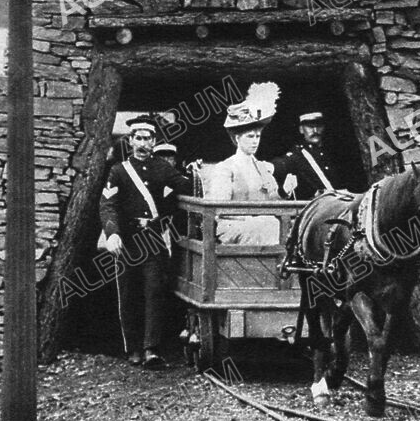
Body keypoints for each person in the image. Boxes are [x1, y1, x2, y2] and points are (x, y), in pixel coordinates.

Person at [100, 115, 193, 368]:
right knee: (128, 294)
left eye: (148, 138)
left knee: (154, 291)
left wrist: (194, 172)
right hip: (127, 239)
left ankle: (152, 348)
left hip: (153, 239)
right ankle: (132, 349)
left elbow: (186, 186)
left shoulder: (162, 168)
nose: (143, 143)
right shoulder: (118, 171)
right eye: (138, 138)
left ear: (154, 141)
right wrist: (113, 233)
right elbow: (108, 205)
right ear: (130, 141)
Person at [206, 84, 283, 246]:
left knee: (282, 228)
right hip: (232, 225)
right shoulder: (226, 168)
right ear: (237, 138)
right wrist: (251, 217)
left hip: (261, 222)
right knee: (265, 227)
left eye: (258, 136)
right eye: (250, 136)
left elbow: (272, 202)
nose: (255, 141)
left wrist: (285, 192)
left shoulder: (262, 167)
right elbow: (218, 209)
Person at [273, 112, 341, 200]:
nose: (315, 131)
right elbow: (280, 165)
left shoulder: (333, 152)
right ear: (301, 129)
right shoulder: (297, 156)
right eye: (310, 127)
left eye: (319, 126)